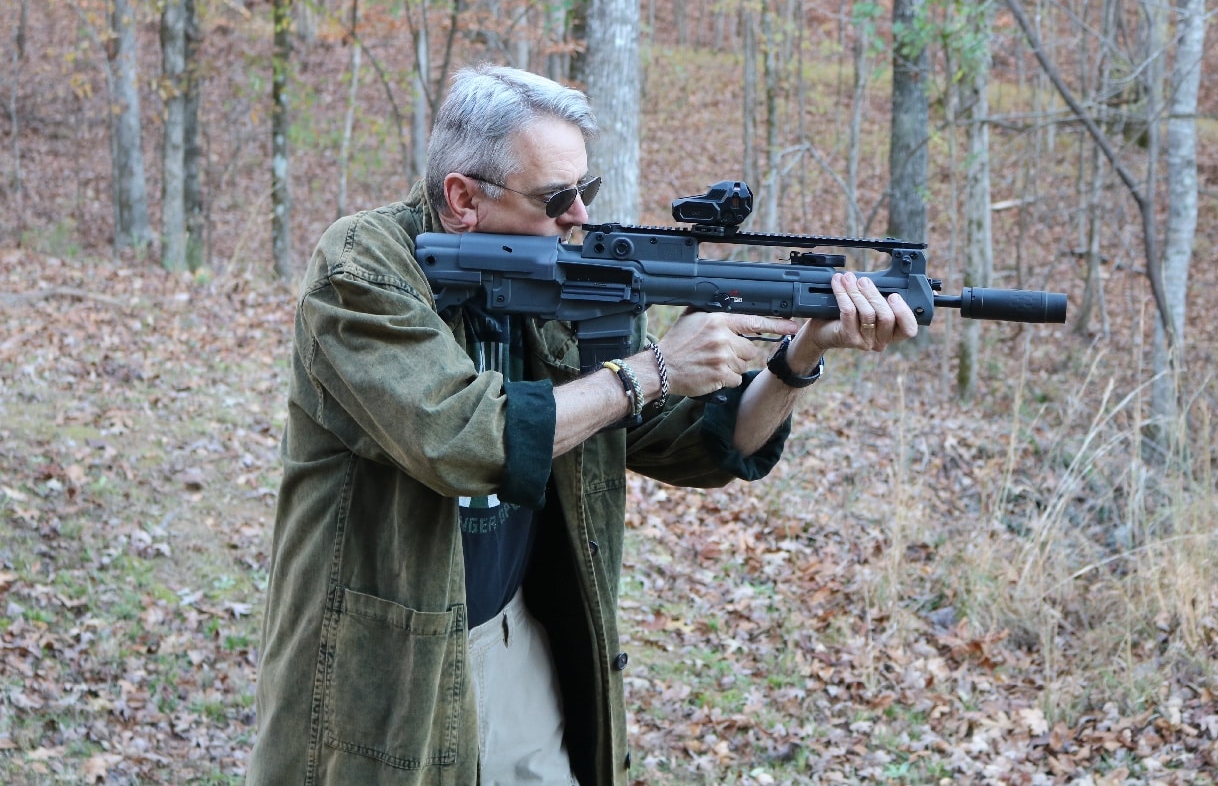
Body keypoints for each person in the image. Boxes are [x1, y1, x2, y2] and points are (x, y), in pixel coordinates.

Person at [247, 64, 918, 786]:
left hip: (516, 637)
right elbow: (460, 437)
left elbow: (702, 443)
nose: (580, 219)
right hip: (384, 665)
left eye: (585, 190)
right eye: (556, 197)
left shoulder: (558, 287)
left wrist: (798, 354)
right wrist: (650, 368)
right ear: (463, 197)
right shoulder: (363, 268)